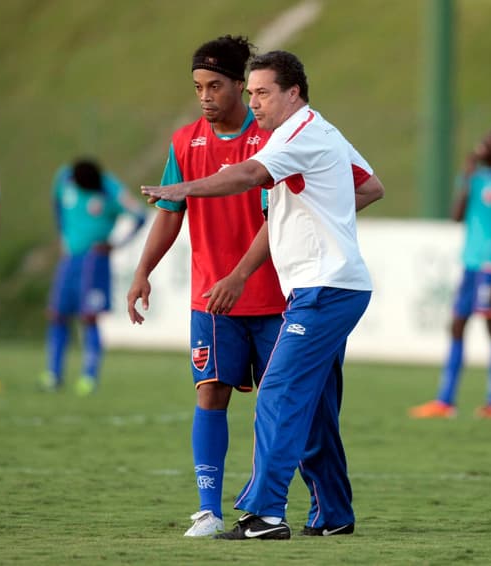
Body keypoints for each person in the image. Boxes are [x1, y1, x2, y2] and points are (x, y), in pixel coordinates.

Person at [139, 50, 385, 541]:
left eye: (263, 93)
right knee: (312, 403)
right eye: (250, 93)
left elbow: (248, 175)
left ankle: (265, 515)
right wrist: (320, 206)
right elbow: (371, 186)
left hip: (324, 288)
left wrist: (183, 189)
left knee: (278, 392)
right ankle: (333, 513)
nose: (255, 103)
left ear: (294, 93)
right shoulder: (322, 129)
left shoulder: (294, 136)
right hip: (331, 286)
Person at [126, 36, 288, 538]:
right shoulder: (183, 142)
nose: (205, 95)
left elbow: (277, 218)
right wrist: (142, 272)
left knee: (281, 403)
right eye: (198, 86)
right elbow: (170, 213)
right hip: (211, 301)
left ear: (242, 86)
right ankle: (208, 511)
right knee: (210, 392)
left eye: (214, 85)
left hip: (274, 299)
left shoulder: (271, 140)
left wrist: (240, 276)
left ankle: (271, 508)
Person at [409, 128, 491, 420]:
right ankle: (445, 401)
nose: (482, 145)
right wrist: (467, 177)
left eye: (490, 143)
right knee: (457, 325)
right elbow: (456, 216)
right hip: (470, 265)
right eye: (483, 140)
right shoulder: (473, 177)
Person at [40, 158, 145, 396]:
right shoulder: (64, 178)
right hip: (69, 259)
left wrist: (117, 244)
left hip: (94, 261)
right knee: (57, 315)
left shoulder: (110, 189)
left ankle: (89, 377)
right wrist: (62, 233)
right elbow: (56, 202)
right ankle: (53, 375)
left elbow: (139, 215)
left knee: (89, 317)